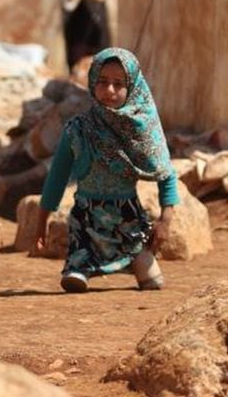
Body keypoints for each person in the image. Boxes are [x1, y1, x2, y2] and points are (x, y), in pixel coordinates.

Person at [32, 47, 178, 293]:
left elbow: (166, 173)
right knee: (75, 277)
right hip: (86, 222)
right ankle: (79, 268)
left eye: (119, 84)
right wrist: (40, 224)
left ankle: (138, 261)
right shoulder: (78, 130)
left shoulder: (142, 130)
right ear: (91, 82)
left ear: (132, 88)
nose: (109, 91)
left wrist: (165, 220)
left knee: (152, 281)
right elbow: (56, 179)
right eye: (102, 82)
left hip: (129, 221)